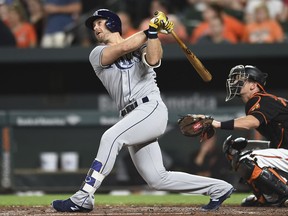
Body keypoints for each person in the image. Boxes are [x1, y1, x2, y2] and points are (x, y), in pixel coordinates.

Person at [51, 8, 234, 213]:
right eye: (93, 25)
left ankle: (84, 196)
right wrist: (151, 29)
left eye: (99, 22)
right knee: (157, 179)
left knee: (111, 137)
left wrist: (153, 34)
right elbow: (122, 48)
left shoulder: (141, 44)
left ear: (112, 23)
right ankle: (220, 188)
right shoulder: (97, 53)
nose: (95, 27)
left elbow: (154, 60)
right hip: (132, 115)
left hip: (150, 108)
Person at [205, 64, 288, 206]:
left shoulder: (261, 99)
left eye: (240, 79)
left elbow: (251, 122)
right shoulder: (261, 101)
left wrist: (217, 124)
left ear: (253, 85)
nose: (235, 82)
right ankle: (269, 197)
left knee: (248, 159)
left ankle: (275, 198)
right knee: (236, 150)